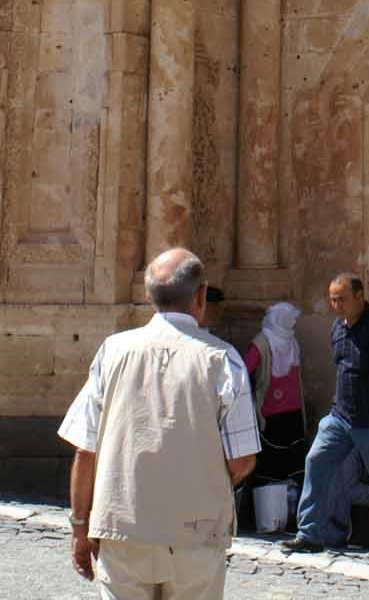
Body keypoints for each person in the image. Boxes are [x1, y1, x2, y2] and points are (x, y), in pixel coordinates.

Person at [58, 248, 259, 600]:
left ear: (149, 297)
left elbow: (85, 451)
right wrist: (200, 482)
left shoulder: (112, 351)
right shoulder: (224, 360)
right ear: (201, 296)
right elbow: (241, 461)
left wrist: (79, 526)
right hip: (196, 534)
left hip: (122, 529)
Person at [285, 272, 369, 564]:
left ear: (360, 296)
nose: (337, 305)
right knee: (316, 462)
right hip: (340, 416)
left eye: (342, 299)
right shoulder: (337, 327)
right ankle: (309, 534)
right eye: (333, 300)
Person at [244, 302, 306, 486]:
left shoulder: (291, 341)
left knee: (293, 457)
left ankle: (292, 497)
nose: (292, 323)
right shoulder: (261, 343)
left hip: (293, 409)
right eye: (289, 319)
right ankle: (270, 499)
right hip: (272, 410)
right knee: (272, 458)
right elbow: (244, 371)